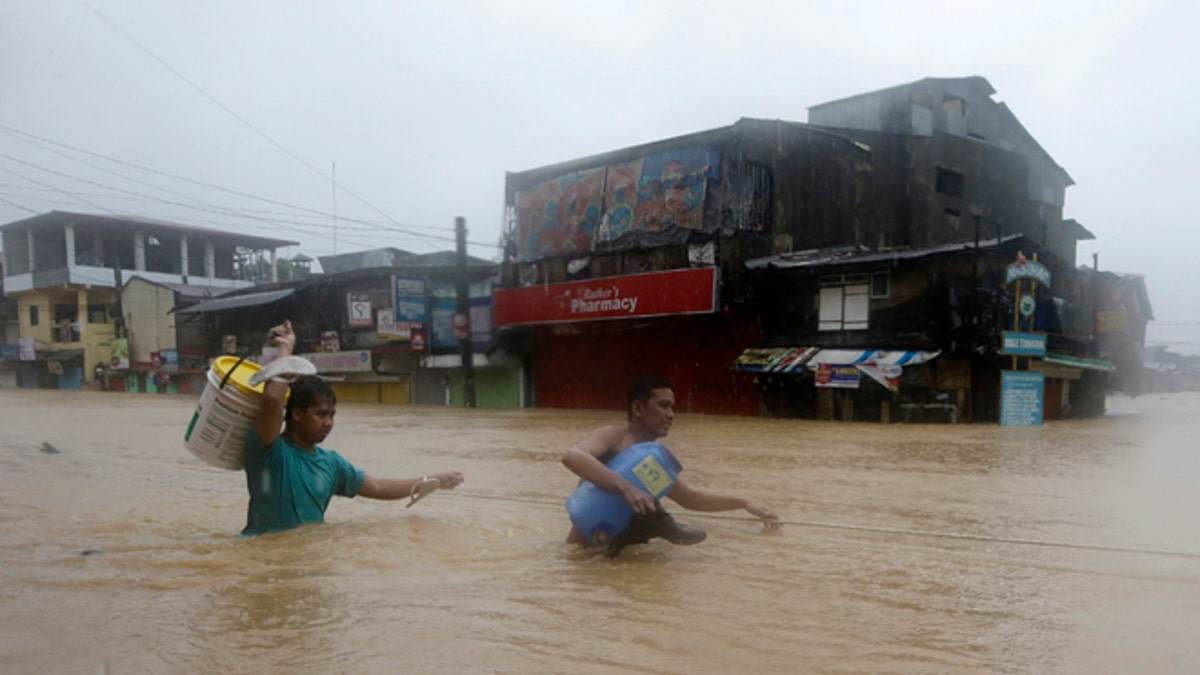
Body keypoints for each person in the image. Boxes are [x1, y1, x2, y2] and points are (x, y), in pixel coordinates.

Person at [242, 320, 464, 536]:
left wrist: (432, 481)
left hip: (309, 563)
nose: (328, 423)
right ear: (297, 414)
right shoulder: (268, 449)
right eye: (321, 414)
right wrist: (285, 348)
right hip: (264, 565)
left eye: (332, 415)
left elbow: (378, 487)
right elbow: (272, 400)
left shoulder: (331, 463)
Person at [562, 375, 778, 557]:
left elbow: (691, 498)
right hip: (584, 555)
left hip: (619, 559)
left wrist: (744, 503)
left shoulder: (655, 462)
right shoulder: (612, 437)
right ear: (637, 408)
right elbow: (573, 456)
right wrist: (626, 488)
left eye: (673, 407)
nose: (671, 414)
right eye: (663, 406)